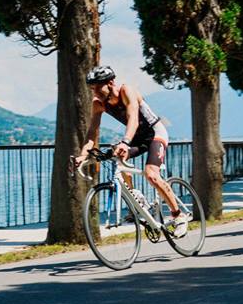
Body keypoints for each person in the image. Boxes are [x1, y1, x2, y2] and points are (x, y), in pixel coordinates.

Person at [75, 65, 190, 235]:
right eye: (92, 88)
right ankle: (136, 197)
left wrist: (125, 142)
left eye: (98, 87)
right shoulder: (98, 104)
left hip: (155, 133)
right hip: (135, 137)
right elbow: (92, 132)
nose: (95, 92)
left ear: (111, 82)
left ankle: (178, 215)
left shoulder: (126, 91)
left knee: (151, 174)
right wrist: (83, 155)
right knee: (116, 157)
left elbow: (133, 119)